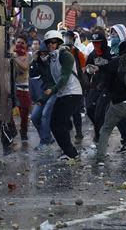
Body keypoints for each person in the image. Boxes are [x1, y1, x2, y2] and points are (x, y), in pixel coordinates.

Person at [85, 30, 126, 152]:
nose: (96, 46)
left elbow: (117, 69)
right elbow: (87, 70)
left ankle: (100, 139)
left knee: (104, 111)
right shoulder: (92, 55)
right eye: (94, 43)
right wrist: (88, 75)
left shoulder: (112, 53)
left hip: (109, 87)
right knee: (90, 108)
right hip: (95, 87)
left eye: (99, 43)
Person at [43, 30, 83, 161]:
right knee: (56, 124)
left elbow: (65, 77)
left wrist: (53, 90)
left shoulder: (65, 55)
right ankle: (69, 151)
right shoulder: (52, 58)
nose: (51, 45)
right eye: (48, 42)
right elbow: (50, 78)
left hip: (72, 93)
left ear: (59, 42)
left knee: (58, 124)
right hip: (64, 94)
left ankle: (71, 153)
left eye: (53, 42)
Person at [62, 30, 87, 143]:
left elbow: (82, 70)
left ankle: (79, 133)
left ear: (73, 39)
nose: (67, 40)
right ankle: (67, 129)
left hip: (76, 86)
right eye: (66, 37)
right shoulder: (60, 52)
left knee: (76, 111)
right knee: (65, 110)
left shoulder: (78, 54)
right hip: (64, 86)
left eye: (69, 38)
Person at [30, 44, 56, 150]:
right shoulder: (39, 63)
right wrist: (34, 61)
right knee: (34, 117)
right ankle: (47, 137)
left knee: (45, 115)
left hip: (55, 91)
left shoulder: (54, 62)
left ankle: (44, 141)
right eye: (42, 53)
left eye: (46, 53)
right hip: (45, 93)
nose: (44, 55)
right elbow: (32, 74)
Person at [12, 35, 32, 141]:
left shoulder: (28, 56)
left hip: (25, 89)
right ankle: (11, 131)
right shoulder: (12, 55)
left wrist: (14, 58)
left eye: (22, 43)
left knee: (24, 114)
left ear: (26, 45)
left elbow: (25, 67)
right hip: (14, 88)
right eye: (18, 42)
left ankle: (23, 132)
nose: (20, 44)